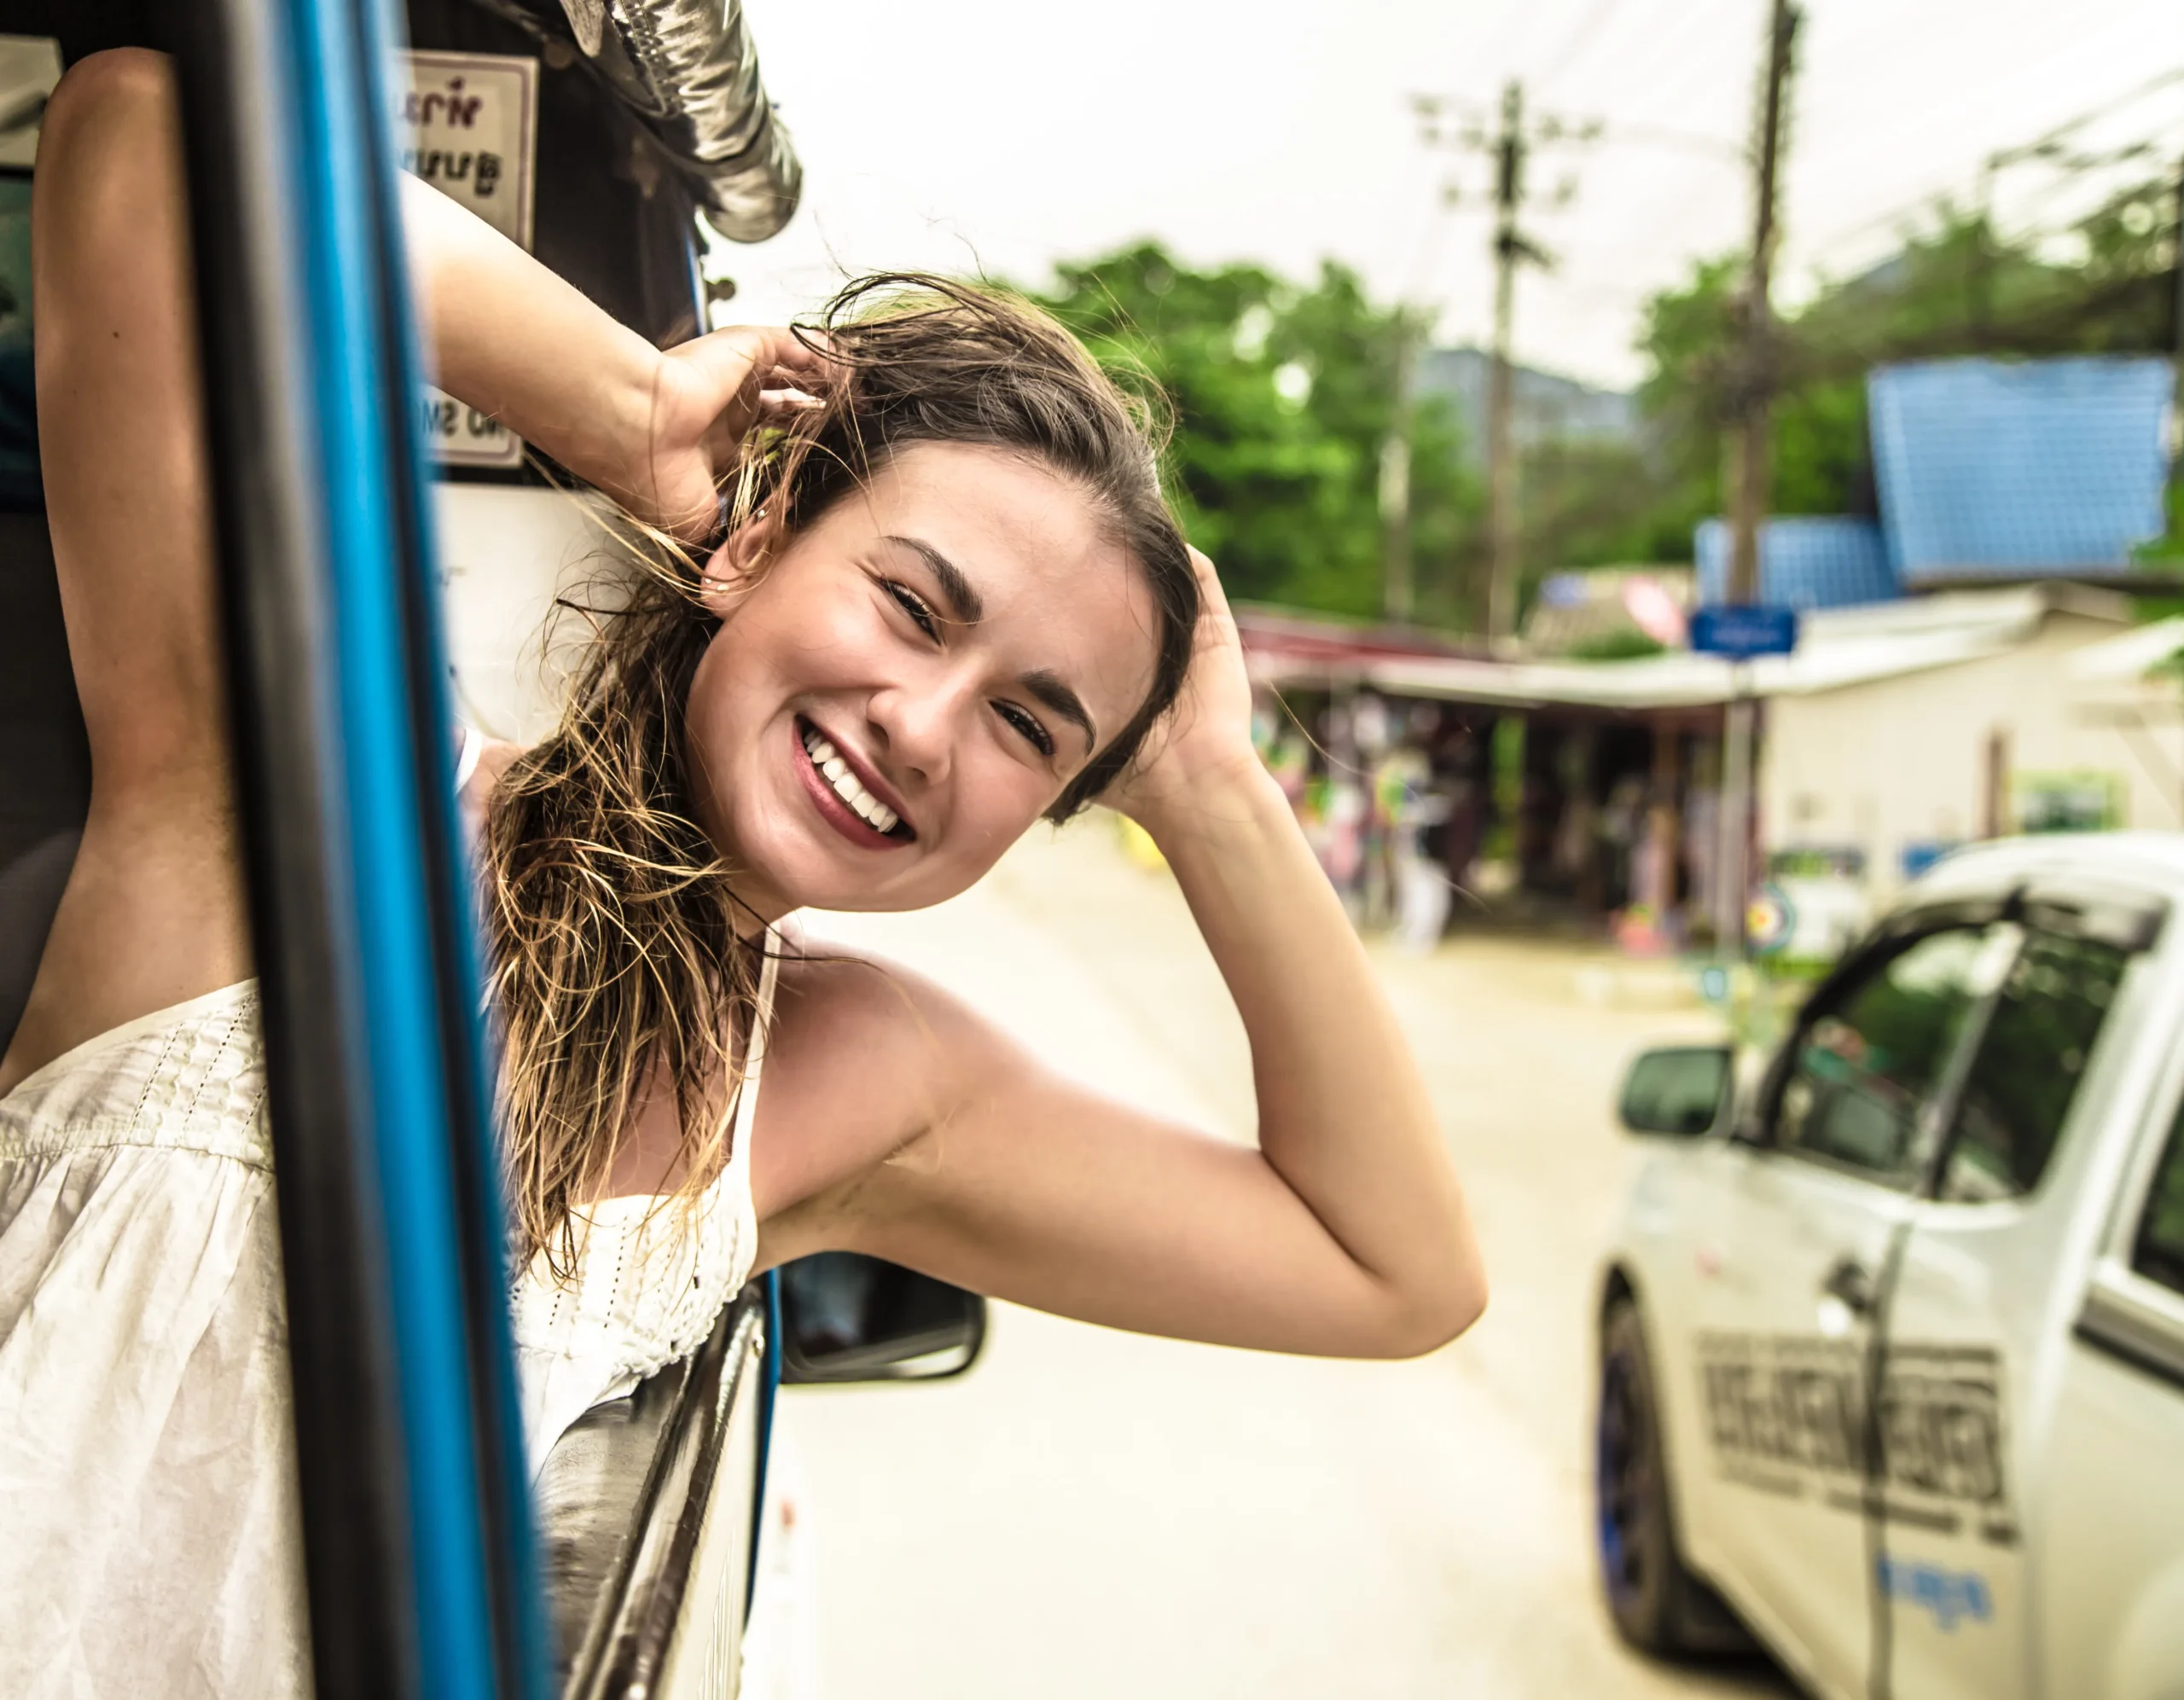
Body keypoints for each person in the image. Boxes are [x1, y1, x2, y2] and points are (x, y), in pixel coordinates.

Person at [0, 49, 1486, 1692]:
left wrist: (1211, 791)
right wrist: (630, 411)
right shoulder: (321, 803)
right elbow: (147, 142)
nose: (923, 725)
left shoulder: (856, 1076)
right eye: (911, 606)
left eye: (1030, 725)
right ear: (757, 541)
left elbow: (1394, 1271)